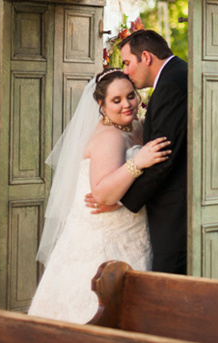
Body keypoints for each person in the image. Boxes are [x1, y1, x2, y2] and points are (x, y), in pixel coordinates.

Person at [28, 69, 170, 324]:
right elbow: (103, 194)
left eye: (130, 96)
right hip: (106, 239)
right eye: (116, 100)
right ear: (101, 105)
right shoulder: (109, 137)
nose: (126, 104)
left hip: (131, 231)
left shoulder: (136, 126)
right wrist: (139, 161)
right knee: (99, 311)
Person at [86, 30, 188, 275]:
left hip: (168, 217)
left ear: (146, 57)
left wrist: (122, 200)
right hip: (123, 228)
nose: (127, 71)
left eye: (128, 63)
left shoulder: (171, 86)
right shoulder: (177, 77)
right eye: (116, 100)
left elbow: (164, 159)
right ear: (102, 105)